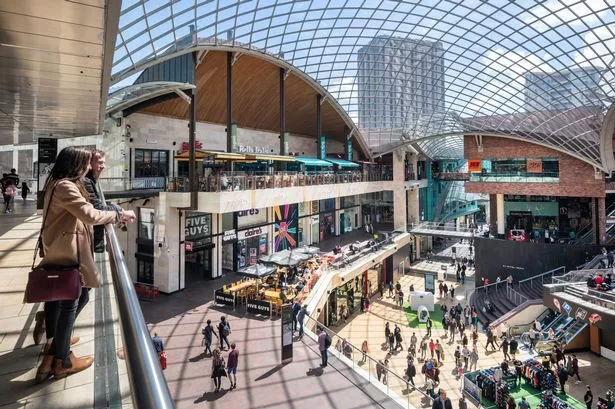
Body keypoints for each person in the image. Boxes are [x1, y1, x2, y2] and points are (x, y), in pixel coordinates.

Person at [34, 147, 135, 382]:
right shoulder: (66, 186)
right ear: (75, 164)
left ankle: (56, 348)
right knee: (73, 302)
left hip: (62, 248)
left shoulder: (57, 184)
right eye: (86, 163)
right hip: (67, 253)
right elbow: (91, 214)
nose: (89, 167)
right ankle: (63, 359)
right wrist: (119, 215)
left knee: (71, 300)